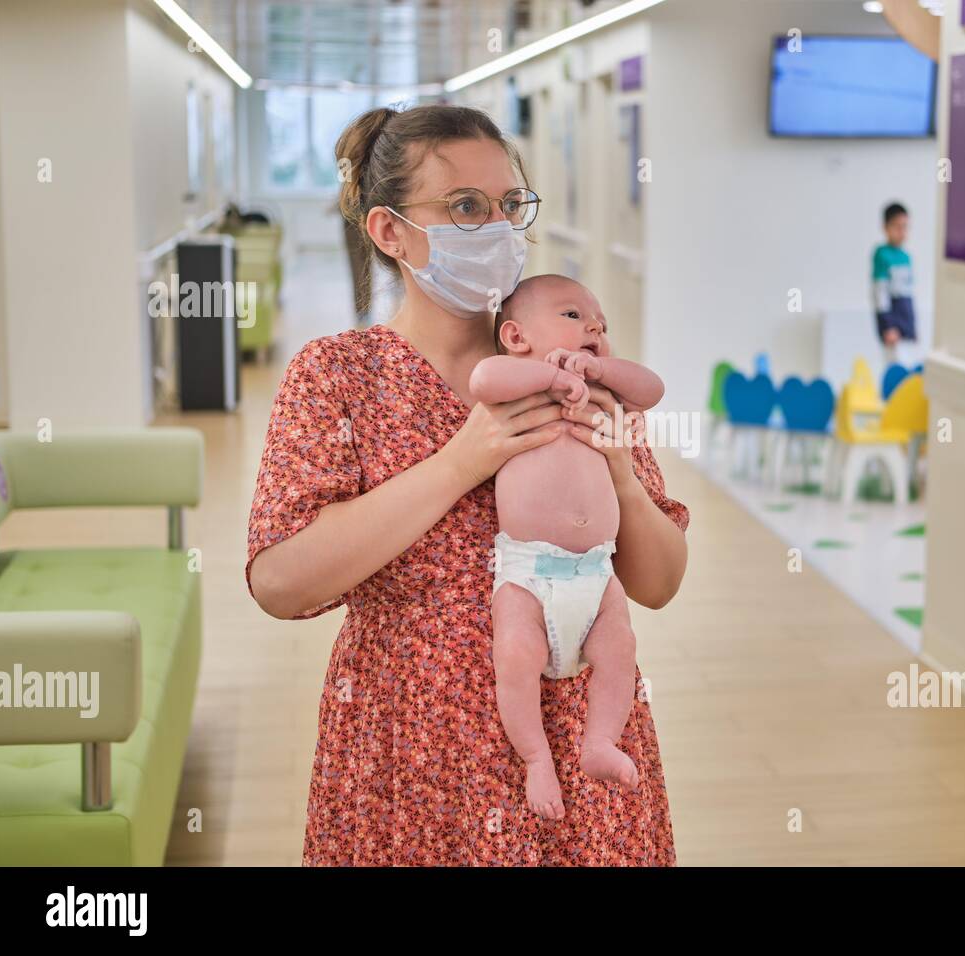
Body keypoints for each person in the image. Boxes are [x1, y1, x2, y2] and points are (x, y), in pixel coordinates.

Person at [244, 104, 689, 866]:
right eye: (464, 208)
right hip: (408, 755)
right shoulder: (337, 377)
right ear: (389, 231)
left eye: (509, 205)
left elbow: (659, 582)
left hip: (572, 743)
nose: (497, 228)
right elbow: (280, 581)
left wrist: (618, 468)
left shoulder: (567, 366)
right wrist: (457, 464)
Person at [471, 274, 666, 820]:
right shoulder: (516, 384)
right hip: (527, 573)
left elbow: (651, 389)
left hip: (597, 573)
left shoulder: (608, 395)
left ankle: (600, 740)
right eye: (573, 315)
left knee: (619, 649)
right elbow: (485, 378)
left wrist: (600, 370)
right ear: (515, 335)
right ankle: (536, 757)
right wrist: (549, 375)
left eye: (599, 320)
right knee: (515, 655)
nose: (595, 325)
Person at [872, 202, 916, 368]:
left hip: (906, 323)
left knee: (908, 367)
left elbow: (908, 294)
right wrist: (888, 325)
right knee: (895, 367)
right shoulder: (882, 255)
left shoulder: (906, 257)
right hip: (893, 324)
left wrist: (912, 327)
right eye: (897, 227)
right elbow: (880, 293)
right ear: (885, 227)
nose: (902, 232)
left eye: (905, 227)